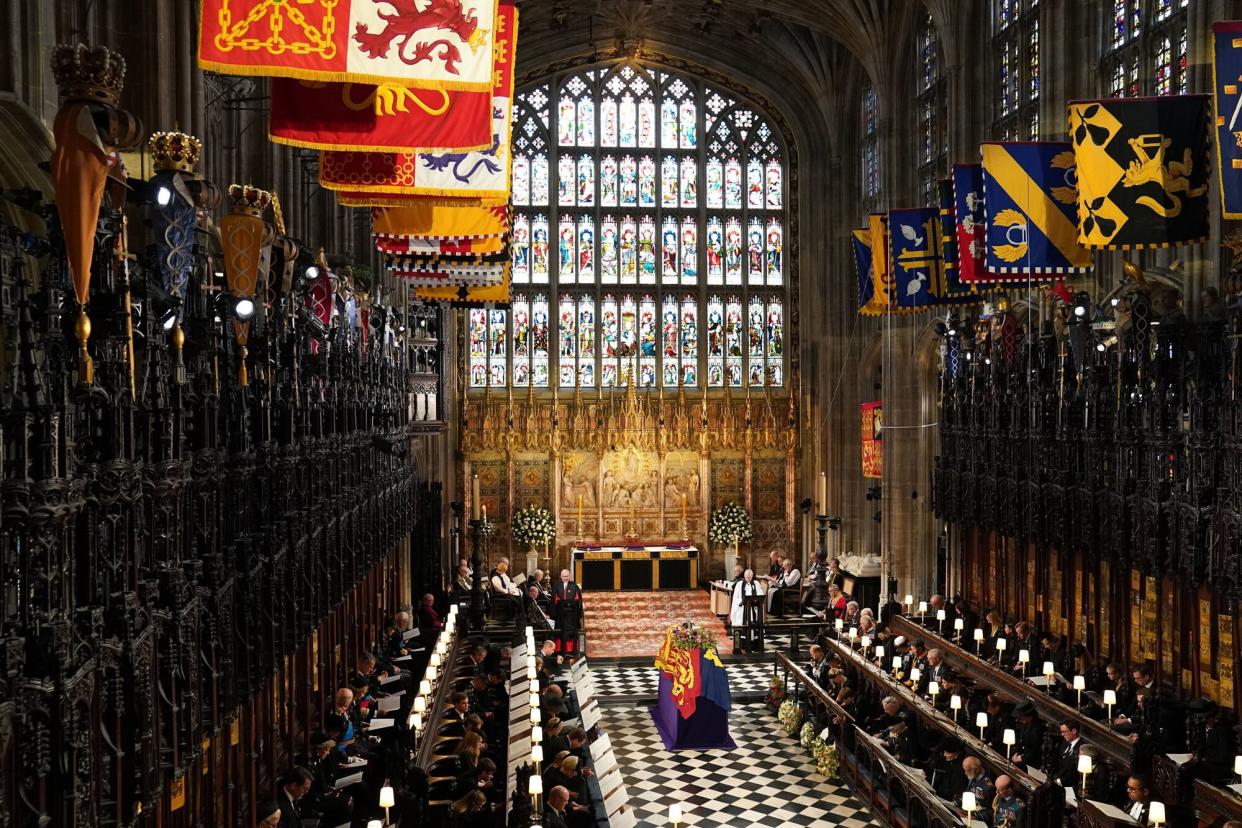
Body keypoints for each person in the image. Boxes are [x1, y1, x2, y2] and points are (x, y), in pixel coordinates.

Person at [552, 569, 584, 654]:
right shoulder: (557, 585)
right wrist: (553, 613)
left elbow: (578, 599)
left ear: (569, 576)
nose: (565, 578)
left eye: (567, 576)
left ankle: (571, 649)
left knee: (571, 632)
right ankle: (560, 649)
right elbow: (554, 599)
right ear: (561, 577)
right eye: (563, 576)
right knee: (560, 632)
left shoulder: (574, 586)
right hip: (560, 615)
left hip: (572, 615)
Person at [730, 569, 763, 652]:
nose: (748, 578)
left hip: (753, 609)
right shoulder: (739, 584)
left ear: (752, 576)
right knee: (742, 622)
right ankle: (743, 644)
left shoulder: (756, 583)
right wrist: (742, 601)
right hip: (743, 609)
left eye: (750, 577)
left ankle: (754, 645)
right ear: (744, 576)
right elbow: (735, 598)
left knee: (754, 623)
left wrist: (755, 600)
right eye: (747, 577)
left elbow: (760, 594)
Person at [1050, 721, 1082, 787]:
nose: (1062, 734)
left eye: (1064, 732)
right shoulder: (1065, 743)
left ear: (1074, 731)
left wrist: (1059, 781)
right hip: (1056, 779)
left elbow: (1076, 773)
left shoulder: (1081, 748)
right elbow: (1058, 761)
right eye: (1061, 732)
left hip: (1069, 785)